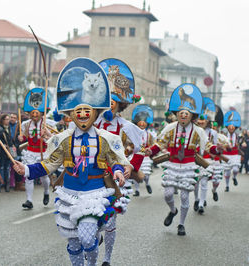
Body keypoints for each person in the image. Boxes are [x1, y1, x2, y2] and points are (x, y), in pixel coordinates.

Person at [13, 57, 129, 266]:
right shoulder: (62, 139)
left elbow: (114, 161)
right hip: (70, 194)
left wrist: (119, 171)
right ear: (71, 115)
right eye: (78, 111)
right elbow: (49, 164)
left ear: (95, 113)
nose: (83, 115)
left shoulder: (106, 139)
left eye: (87, 111)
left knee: (86, 237)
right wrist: (27, 170)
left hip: (95, 193)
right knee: (74, 243)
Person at [146, 83, 223, 236]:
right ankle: (173, 211)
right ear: (177, 113)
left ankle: (181, 224)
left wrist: (217, 149)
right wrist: (151, 150)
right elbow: (160, 143)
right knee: (168, 194)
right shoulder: (170, 128)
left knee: (184, 196)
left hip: (188, 165)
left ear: (192, 115)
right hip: (173, 164)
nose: (183, 115)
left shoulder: (198, 131)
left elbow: (207, 146)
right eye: (181, 112)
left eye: (186, 113)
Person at [96, 58, 145, 266]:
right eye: (106, 101)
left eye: (113, 101)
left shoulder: (126, 126)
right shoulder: (92, 122)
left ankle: (106, 258)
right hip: (93, 175)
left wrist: (131, 166)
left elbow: (142, 147)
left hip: (115, 178)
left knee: (110, 220)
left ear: (120, 105)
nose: (109, 105)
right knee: (91, 215)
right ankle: (92, 235)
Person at [18, 87, 56, 209]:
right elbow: (24, 137)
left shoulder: (49, 124)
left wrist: (48, 135)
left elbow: (56, 139)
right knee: (28, 176)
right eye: (32, 113)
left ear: (41, 113)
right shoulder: (25, 124)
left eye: (37, 113)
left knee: (44, 176)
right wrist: (21, 138)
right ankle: (29, 200)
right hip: (30, 152)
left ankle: (46, 192)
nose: (34, 115)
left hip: (43, 152)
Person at [131, 104, 156, 197]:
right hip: (135, 155)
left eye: (144, 123)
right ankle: (137, 190)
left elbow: (152, 144)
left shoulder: (149, 134)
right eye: (140, 123)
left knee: (146, 173)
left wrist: (149, 150)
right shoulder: (133, 133)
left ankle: (147, 183)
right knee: (135, 173)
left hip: (145, 157)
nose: (142, 124)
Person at [223, 110, 242, 192]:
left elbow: (243, 141)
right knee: (227, 172)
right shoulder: (223, 135)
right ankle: (227, 186)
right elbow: (219, 143)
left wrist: (242, 143)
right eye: (229, 126)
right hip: (226, 154)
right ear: (227, 127)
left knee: (235, 169)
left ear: (235, 127)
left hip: (235, 154)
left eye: (233, 126)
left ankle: (234, 177)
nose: (231, 128)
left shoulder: (238, 136)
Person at [0, 114, 15, 192]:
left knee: (7, 168)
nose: (8, 121)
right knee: (1, 167)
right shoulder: (0, 128)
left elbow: (10, 139)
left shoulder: (9, 128)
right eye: (6, 119)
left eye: (8, 119)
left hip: (9, 150)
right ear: (2, 120)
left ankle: (7, 185)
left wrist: (12, 146)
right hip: (2, 151)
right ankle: (0, 184)